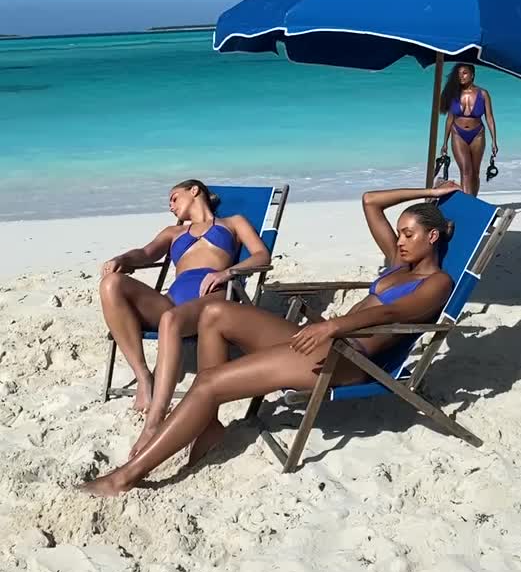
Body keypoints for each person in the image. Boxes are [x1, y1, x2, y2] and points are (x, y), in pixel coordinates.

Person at [80, 182, 460, 496]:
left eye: (409, 234)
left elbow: (392, 313)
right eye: (399, 232)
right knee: (214, 312)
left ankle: (125, 477)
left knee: (209, 382)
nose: (400, 240)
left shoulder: (437, 282)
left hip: (349, 358)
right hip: (327, 340)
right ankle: (208, 424)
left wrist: (334, 326)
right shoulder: (397, 263)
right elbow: (370, 201)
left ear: (432, 236)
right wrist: (430, 193)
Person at [99, 178, 271, 456]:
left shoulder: (233, 223)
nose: (170, 206)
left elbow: (262, 255)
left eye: (174, 198)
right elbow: (145, 253)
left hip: (212, 299)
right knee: (111, 284)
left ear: (194, 191)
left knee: (170, 320)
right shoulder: (173, 232)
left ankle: (155, 421)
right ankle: (144, 376)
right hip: (171, 302)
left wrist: (227, 273)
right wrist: (122, 259)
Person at [440, 63, 498, 197]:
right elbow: (449, 119)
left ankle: (473, 200)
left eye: (464, 73)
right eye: (459, 74)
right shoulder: (453, 94)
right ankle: (468, 203)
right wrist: (444, 142)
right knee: (466, 171)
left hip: (477, 134)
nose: (461, 76)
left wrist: (494, 140)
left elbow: (489, 117)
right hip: (457, 133)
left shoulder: (483, 94)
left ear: (472, 75)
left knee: (475, 172)